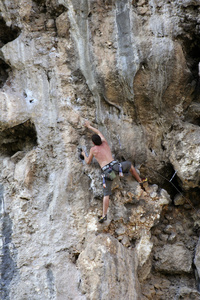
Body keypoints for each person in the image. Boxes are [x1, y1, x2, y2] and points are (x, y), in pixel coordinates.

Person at [81, 121, 147, 223]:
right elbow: (99, 132)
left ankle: (104, 215)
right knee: (130, 165)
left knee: (106, 194)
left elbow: (88, 162)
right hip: (117, 167)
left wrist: (83, 154)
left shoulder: (93, 150)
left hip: (108, 173)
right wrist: (90, 126)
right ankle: (140, 180)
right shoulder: (105, 143)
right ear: (100, 140)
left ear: (93, 143)